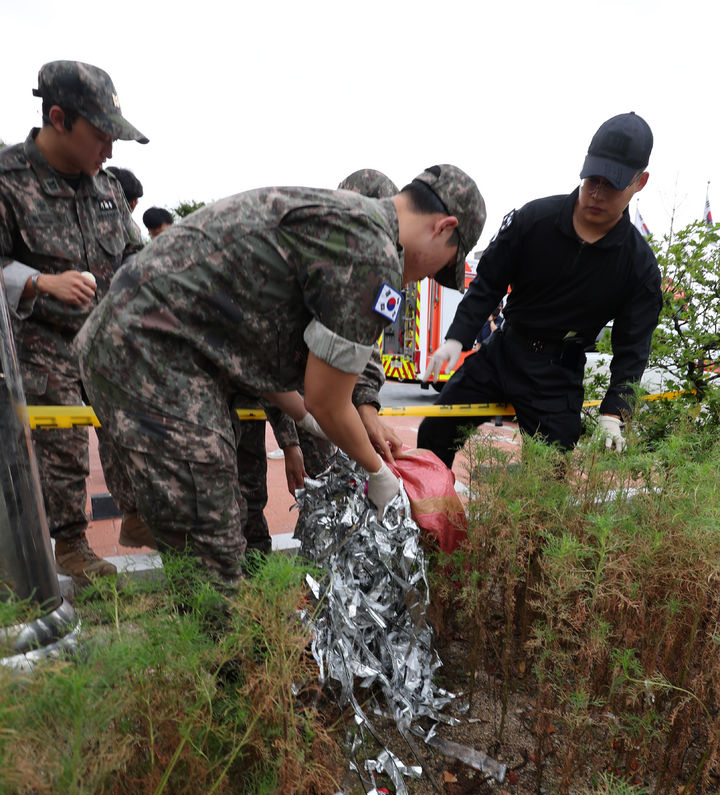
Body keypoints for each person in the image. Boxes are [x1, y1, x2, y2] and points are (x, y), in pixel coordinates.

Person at [77, 165, 486, 584]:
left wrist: (350, 412)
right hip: (150, 353)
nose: (427, 278)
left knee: (212, 529)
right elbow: (325, 400)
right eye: (441, 268)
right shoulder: (371, 253)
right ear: (443, 227)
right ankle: (218, 636)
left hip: (152, 344)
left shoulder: (349, 220)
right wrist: (378, 475)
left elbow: (267, 347)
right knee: (212, 551)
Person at [419, 113, 663, 467]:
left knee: (551, 470)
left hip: (557, 373)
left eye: (611, 184)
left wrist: (615, 413)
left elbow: (633, 349)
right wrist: (456, 339)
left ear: (639, 182)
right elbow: (488, 282)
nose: (596, 193)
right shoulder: (534, 221)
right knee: (434, 432)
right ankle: (432, 518)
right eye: (592, 179)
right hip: (503, 351)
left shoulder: (638, 266)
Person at [0, 60, 151, 587]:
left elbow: (137, 255)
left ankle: (136, 515)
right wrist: (43, 282)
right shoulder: (8, 179)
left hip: (104, 337)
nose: (109, 149)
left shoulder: (106, 187)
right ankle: (70, 545)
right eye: (101, 135)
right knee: (62, 430)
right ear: (59, 119)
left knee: (136, 419)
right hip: (38, 337)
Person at [235, 168, 401, 558]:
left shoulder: (372, 265)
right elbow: (265, 358)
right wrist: (294, 435)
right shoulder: (306, 258)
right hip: (247, 384)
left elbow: (367, 347)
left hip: (302, 396)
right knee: (238, 496)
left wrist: (367, 407)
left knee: (331, 489)